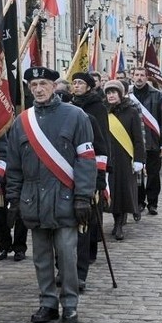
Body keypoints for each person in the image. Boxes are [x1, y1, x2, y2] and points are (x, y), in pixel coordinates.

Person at [6, 66, 96, 323]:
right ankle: (47, 303)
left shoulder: (76, 116)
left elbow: (86, 160)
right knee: (41, 258)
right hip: (33, 199)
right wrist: (13, 198)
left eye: (43, 83)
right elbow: (13, 165)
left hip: (66, 197)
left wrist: (83, 196)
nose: (38, 89)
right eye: (33, 85)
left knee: (67, 256)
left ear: (54, 86)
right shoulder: (22, 122)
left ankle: (69, 304)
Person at [70, 72, 109, 290]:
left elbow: (102, 143)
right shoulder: (67, 106)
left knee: (89, 220)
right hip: (67, 170)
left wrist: (101, 176)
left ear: (89, 87)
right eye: (74, 83)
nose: (76, 86)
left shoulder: (97, 108)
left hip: (89, 168)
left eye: (80, 83)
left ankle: (87, 256)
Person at [103, 80, 146, 241]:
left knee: (124, 191)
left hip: (125, 157)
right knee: (112, 191)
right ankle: (116, 221)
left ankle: (120, 224)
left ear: (120, 94)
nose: (111, 95)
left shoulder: (131, 111)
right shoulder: (104, 111)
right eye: (108, 92)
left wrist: (139, 159)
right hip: (108, 156)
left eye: (114, 92)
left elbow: (138, 138)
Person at [129, 67, 162, 216]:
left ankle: (153, 203)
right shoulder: (127, 95)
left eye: (142, 75)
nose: (139, 78)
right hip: (134, 142)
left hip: (153, 141)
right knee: (137, 173)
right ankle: (139, 201)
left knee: (153, 174)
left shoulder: (156, 95)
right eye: (136, 75)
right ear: (132, 77)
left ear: (147, 77)